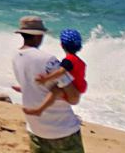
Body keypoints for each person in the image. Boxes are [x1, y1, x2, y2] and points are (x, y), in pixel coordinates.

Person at [12, 16, 84, 152]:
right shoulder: (48, 60)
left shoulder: (15, 57)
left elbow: (34, 87)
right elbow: (74, 98)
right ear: (38, 36)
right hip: (62, 128)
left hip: (35, 128)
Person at [26, 28, 88, 116]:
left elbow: (61, 72)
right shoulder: (80, 62)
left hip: (72, 93)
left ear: (62, 45)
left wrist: (45, 79)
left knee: (54, 89)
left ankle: (40, 109)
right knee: (55, 83)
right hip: (76, 91)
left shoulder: (68, 60)